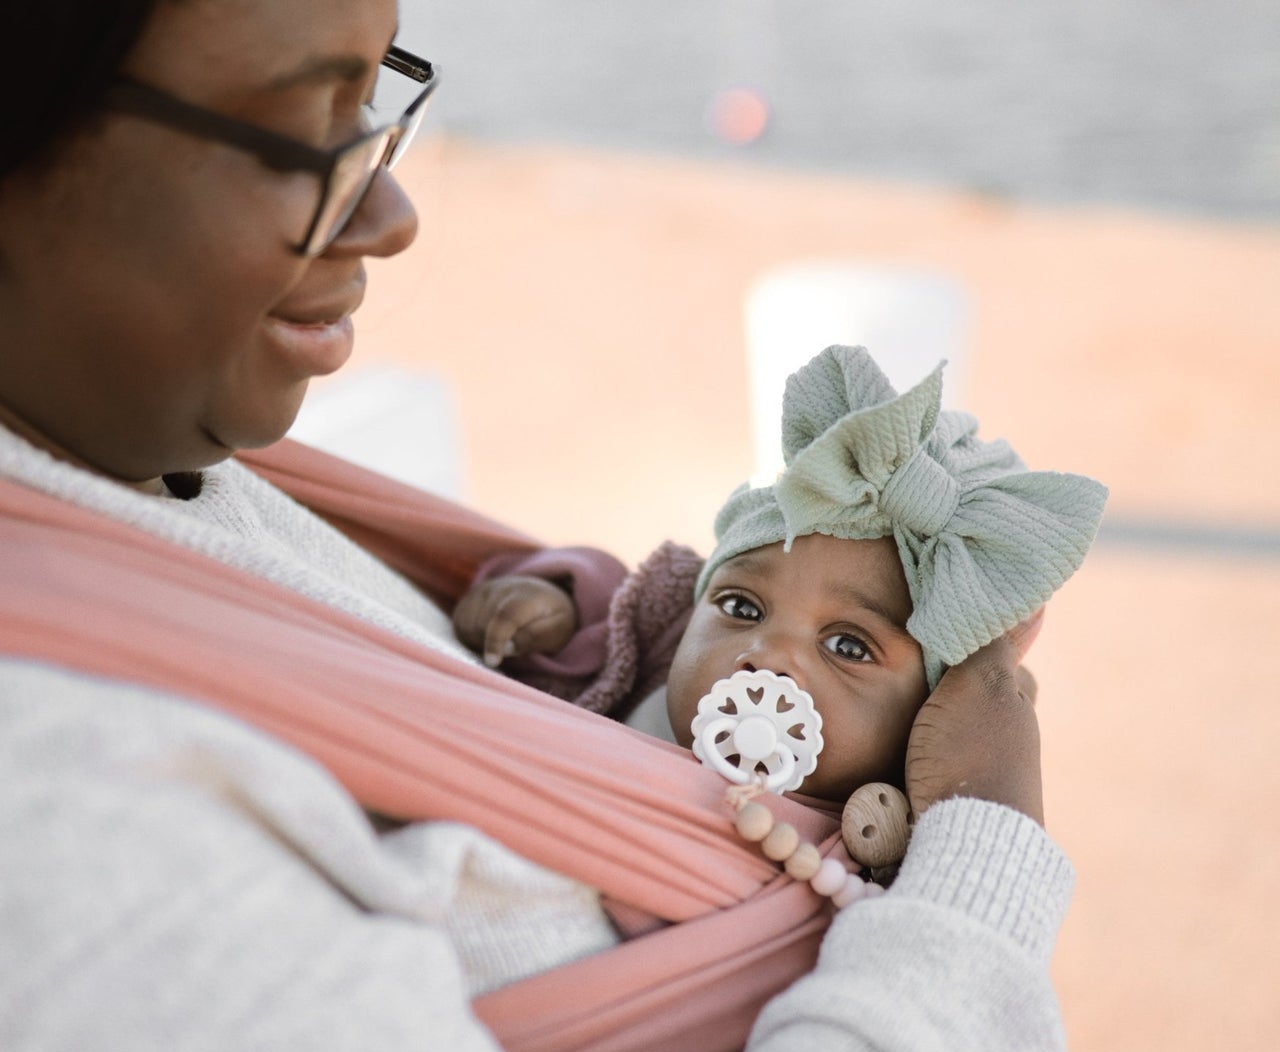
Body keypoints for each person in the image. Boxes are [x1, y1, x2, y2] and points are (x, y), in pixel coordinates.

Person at [0, 6, 1076, 1052]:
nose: (388, 204)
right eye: (306, 128)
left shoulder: (130, 467)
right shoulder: (46, 828)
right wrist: (976, 901)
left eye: (377, 96)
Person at [454, 343, 1107, 813]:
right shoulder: (651, 658)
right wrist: (549, 599)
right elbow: (609, 600)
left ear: (923, 721)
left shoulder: (879, 843)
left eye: (848, 646)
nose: (766, 654)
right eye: (741, 605)